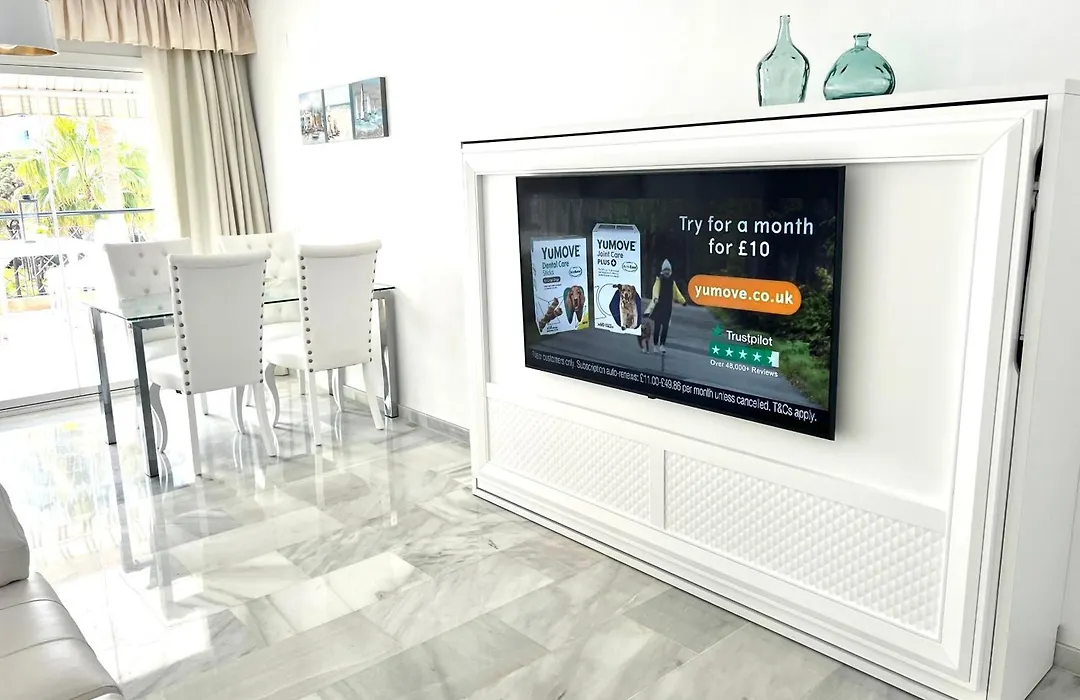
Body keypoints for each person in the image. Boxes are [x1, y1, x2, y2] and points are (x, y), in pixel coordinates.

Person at [644, 259, 686, 353]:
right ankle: (655, 345)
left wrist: (682, 301)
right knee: (657, 327)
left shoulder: (672, 282)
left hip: (668, 307)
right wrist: (655, 298)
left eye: (668, 270)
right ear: (662, 271)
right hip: (659, 307)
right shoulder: (659, 280)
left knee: (665, 327)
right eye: (665, 270)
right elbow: (655, 290)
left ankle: (662, 345)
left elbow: (676, 293)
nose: (667, 272)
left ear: (670, 271)